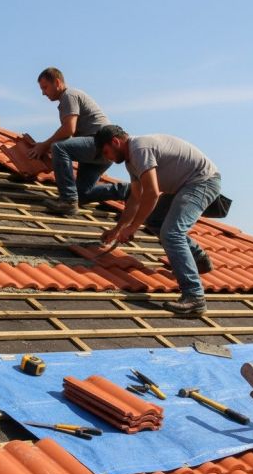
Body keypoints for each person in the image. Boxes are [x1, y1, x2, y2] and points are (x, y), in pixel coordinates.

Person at [95, 125, 221, 315]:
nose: (108, 158)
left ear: (115, 142)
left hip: (201, 181)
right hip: (182, 186)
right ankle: (199, 259)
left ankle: (194, 297)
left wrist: (134, 228)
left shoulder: (139, 149)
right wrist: (119, 229)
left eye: (107, 152)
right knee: (154, 221)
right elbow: (136, 198)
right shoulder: (131, 162)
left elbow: (152, 193)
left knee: (171, 233)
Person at [28, 67, 129, 215]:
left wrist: (45, 145)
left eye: (45, 87)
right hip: (101, 152)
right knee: (81, 194)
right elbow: (69, 136)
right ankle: (126, 190)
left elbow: (69, 129)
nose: (43, 93)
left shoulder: (69, 95)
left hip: (99, 142)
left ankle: (68, 200)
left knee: (59, 148)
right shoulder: (69, 97)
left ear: (57, 82)